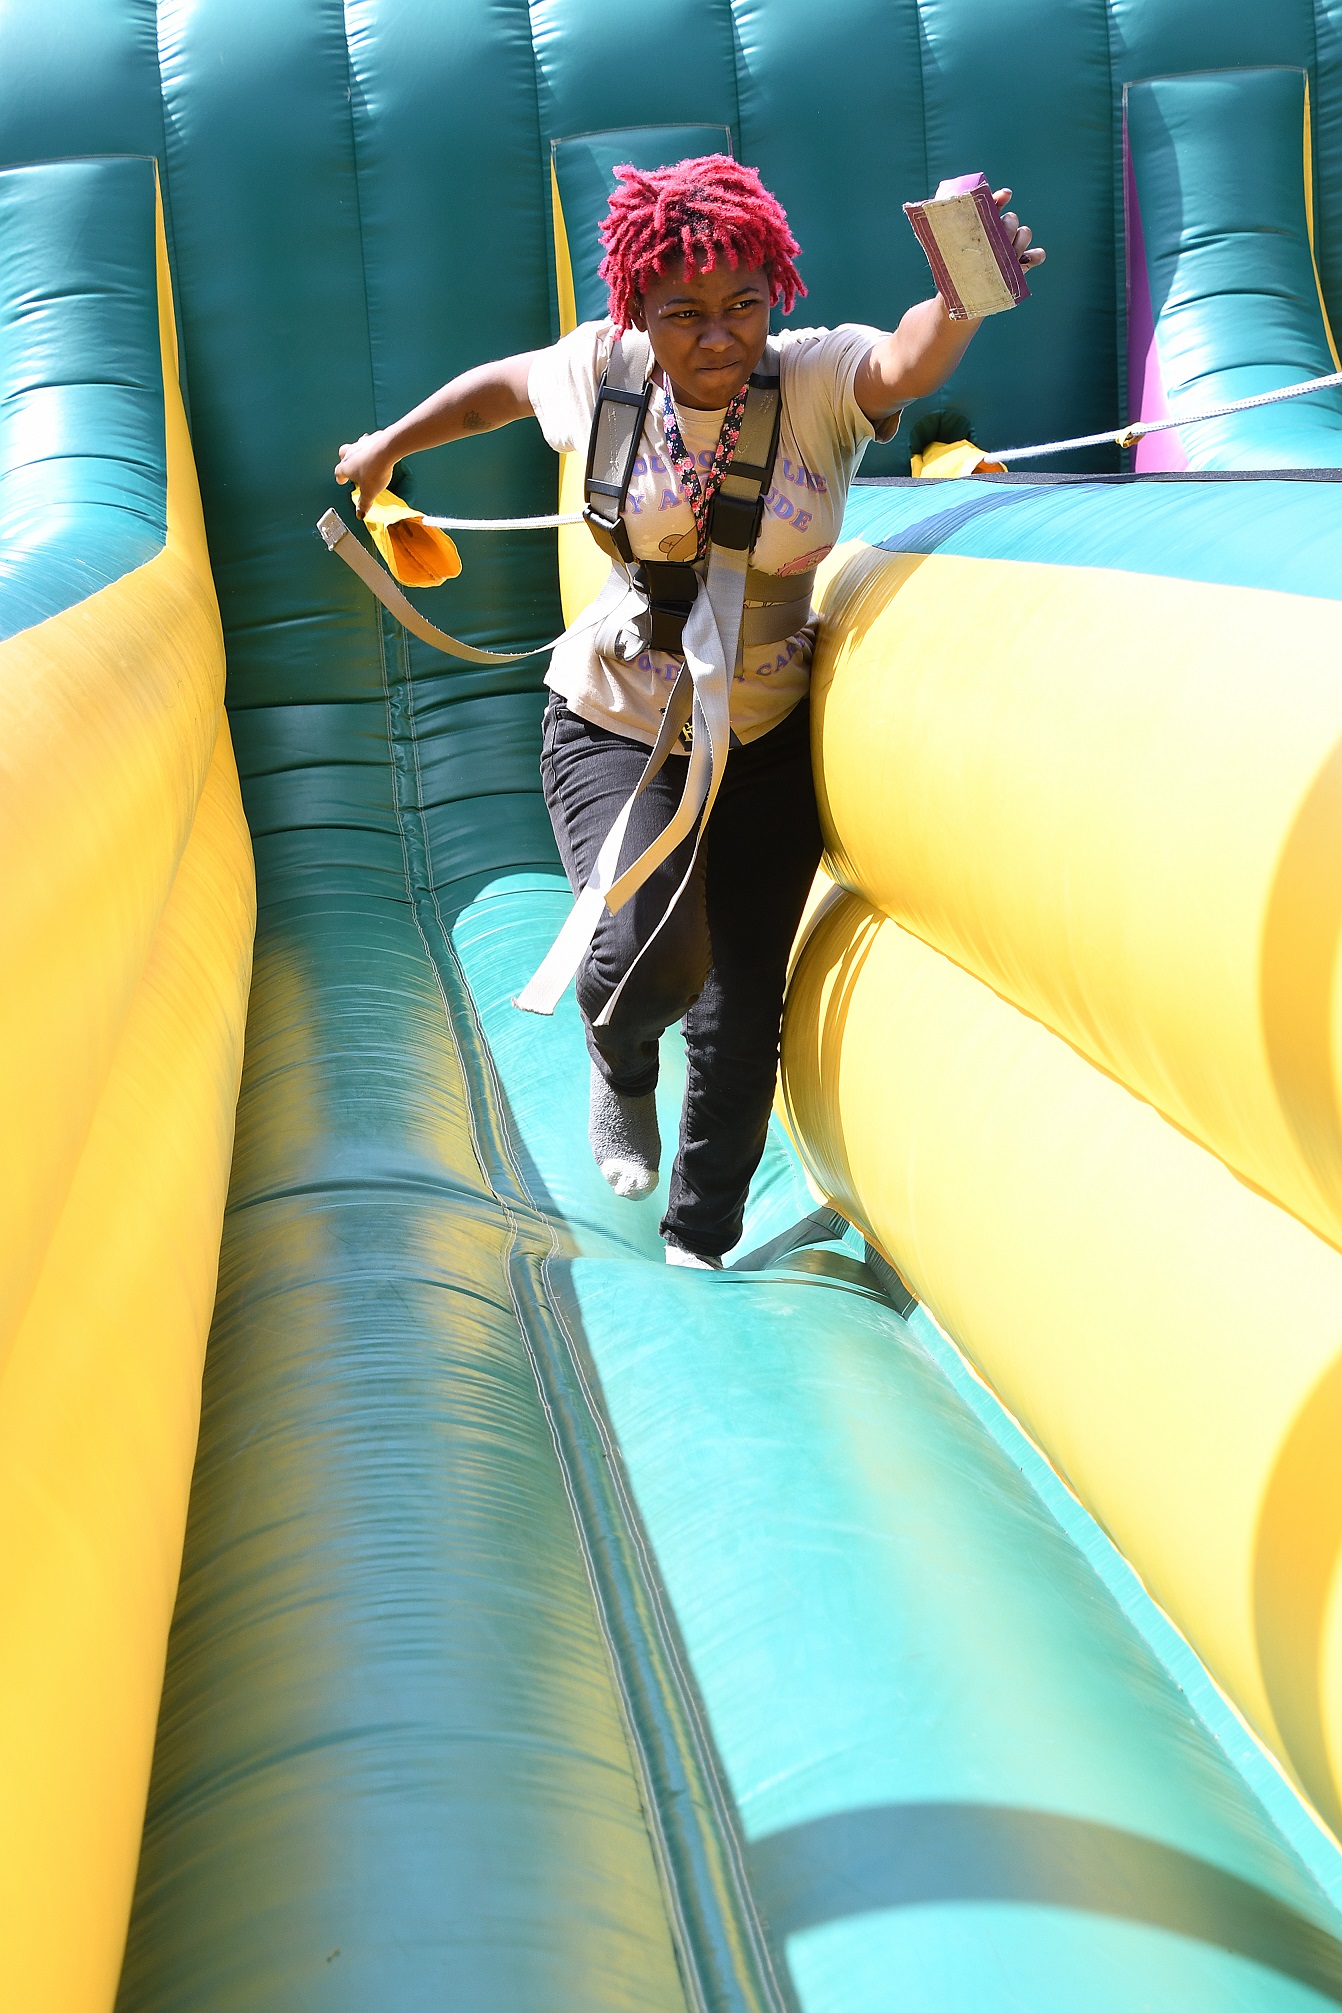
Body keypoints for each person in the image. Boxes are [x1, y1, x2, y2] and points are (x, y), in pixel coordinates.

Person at [336, 155, 1043, 1270]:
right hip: (619, 718)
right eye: (685, 314)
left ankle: (700, 1237)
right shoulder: (604, 372)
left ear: (775, 295)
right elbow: (498, 390)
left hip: (761, 735)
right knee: (650, 946)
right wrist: (389, 448)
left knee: (742, 1005)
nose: (720, 336)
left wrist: (961, 297)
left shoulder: (814, 379)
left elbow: (906, 359)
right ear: (639, 311)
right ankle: (618, 1061)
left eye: (743, 305)